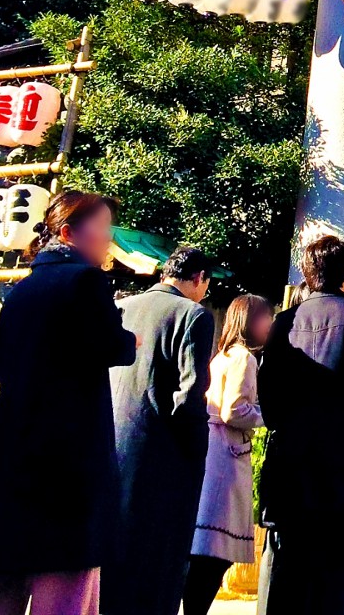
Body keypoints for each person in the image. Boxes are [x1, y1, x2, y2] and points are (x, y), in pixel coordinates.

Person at [0, 193, 137, 615]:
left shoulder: (22, 291)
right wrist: (126, 338)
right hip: (71, 462)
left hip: (18, 452)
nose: (107, 239)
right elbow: (112, 345)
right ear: (68, 233)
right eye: (103, 228)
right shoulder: (85, 281)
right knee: (66, 586)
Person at [257, 235, 344, 615]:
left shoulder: (285, 322)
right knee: (343, 564)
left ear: (307, 273)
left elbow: (268, 394)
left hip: (293, 463)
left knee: (293, 565)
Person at [102, 247, 217, 615]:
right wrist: (197, 450)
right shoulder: (193, 315)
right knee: (157, 568)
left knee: (111, 566)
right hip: (163, 458)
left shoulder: (124, 306)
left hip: (111, 448)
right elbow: (190, 394)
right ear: (199, 279)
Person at [185, 294, 273, 615]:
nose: (270, 324)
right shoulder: (243, 359)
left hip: (216, 451)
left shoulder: (224, 355)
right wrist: (269, 415)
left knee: (206, 552)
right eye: (266, 318)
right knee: (215, 552)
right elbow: (234, 410)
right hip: (227, 455)